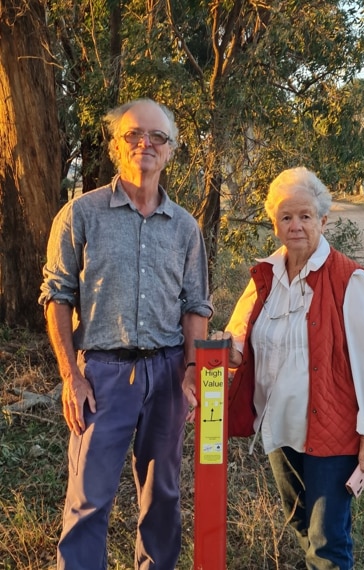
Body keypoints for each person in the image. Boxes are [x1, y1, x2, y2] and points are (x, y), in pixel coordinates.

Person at [39, 98, 212, 569]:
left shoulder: (184, 228)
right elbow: (57, 296)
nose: (146, 144)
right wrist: (72, 376)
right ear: (117, 145)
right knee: (89, 498)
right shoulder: (81, 214)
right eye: (134, 134)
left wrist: (192, 371)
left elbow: (196, 305)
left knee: (163, 498)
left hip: (168, 374)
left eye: (157, 136)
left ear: (171, 150)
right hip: (102, 376)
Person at [202, 167, 364, 569]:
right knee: (302, 525)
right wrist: (227, 349)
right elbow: (241, 338)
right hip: (280, 426)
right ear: (275, 224)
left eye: (305, 216)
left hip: (333, 430)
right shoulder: (266, 275)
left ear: (323, 221)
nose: (296, 226)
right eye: (286, 217)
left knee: (327, 543)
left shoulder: (350, 279)